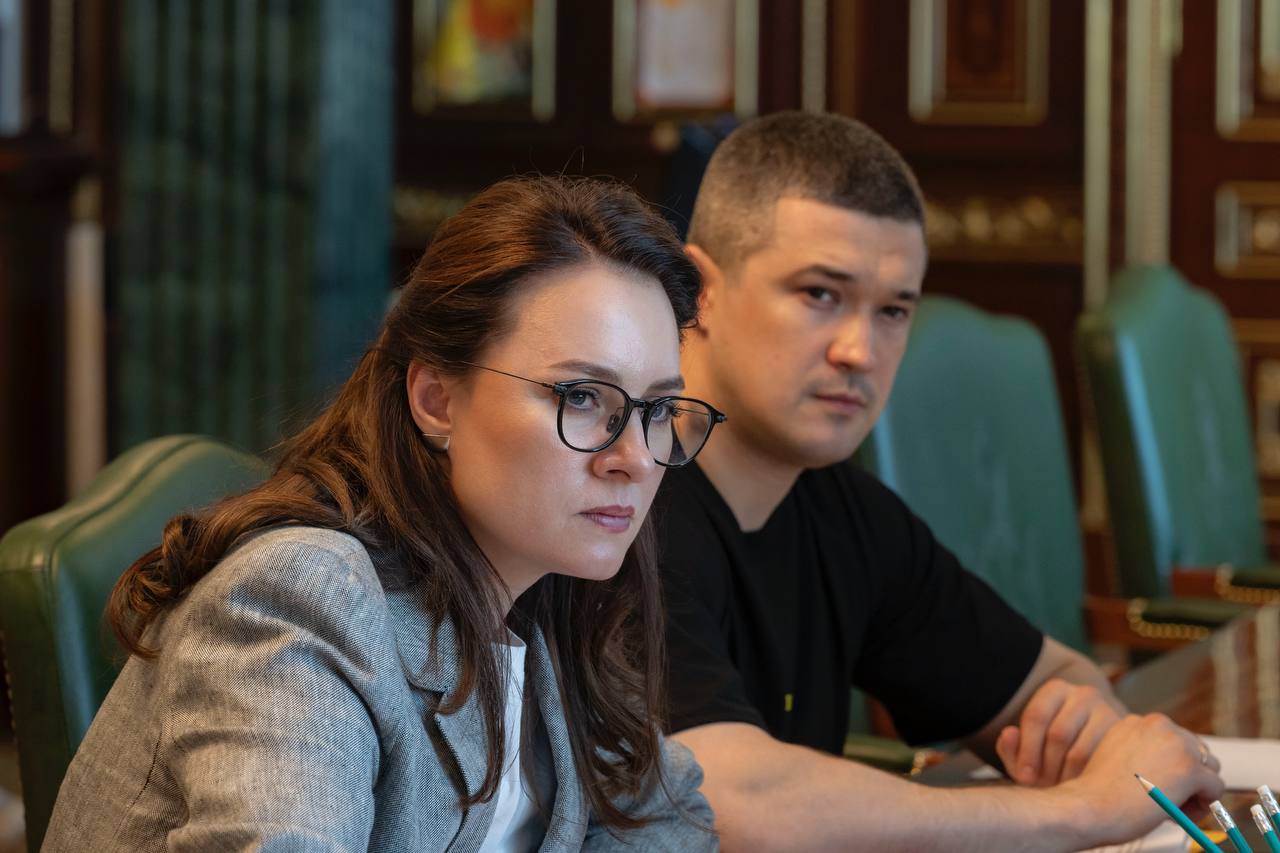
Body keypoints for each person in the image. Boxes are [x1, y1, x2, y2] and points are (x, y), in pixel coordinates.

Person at [43, 176, 722, 851]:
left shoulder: (546, 592)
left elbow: (669, 819)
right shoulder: (299, 599)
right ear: (436, 400)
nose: (637, 457)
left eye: (659, 409)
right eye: (581, 396)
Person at [655, 111, 1224, 851]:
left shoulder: (844, 510)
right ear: (698, 289)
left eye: (894, 310)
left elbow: (1050, 680)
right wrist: (1081, 810)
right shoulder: (617, 505)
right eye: (820, 294)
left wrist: (1078, 719)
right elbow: (722, 798)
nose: (861, 350)